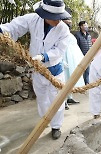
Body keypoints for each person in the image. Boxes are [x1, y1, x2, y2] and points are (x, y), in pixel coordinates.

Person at [0, 0, 71, 139]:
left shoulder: (64, 29)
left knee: (56, 99)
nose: (58, 21)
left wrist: (44, 56)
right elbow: (14, 27)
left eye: (60, 17)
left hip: (54, 70)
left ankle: (56, 126)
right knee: (42, 97)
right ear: (45, 14)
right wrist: (2, 31)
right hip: (37, 70)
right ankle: (44, 120)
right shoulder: (33, 19)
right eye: (55, 18)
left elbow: (59, 50)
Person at [62, 15, 85, 110]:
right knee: (63, 80)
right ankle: (63, 101)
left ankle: (69, 98)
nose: (70, 22)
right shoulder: (60, 34)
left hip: (72, 59)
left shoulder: (70, 35)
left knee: (71, 79)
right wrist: (62, 60)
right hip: (64, 59)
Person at [74, 21, 92, 85]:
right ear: (81, 27)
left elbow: (90, 45)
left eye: (87, 25)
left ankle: (86, 83)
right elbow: (76, 46)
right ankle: (79, 83)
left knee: (88, 70)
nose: (86, 27)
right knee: (81, 70)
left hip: (88, 55)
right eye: (85, 25)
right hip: (80, 55)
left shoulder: (89, 35)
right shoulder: (77, 35)